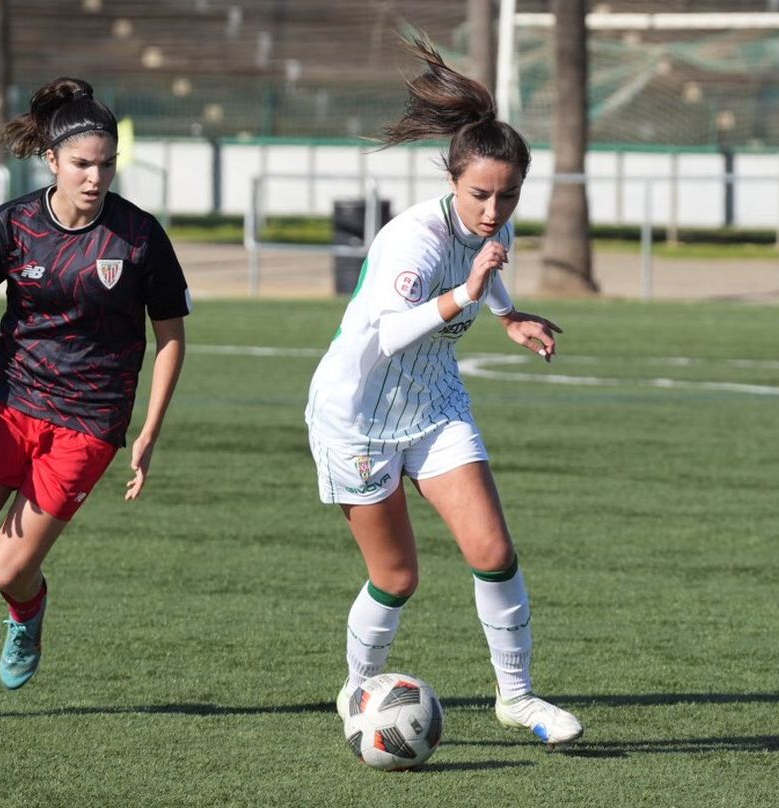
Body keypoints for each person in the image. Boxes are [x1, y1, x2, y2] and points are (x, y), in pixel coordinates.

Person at [0, 77, 190, 725]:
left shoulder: (138, 238)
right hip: (5, 402)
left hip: (89, 422)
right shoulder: (12, 225)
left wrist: (149, 431)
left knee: (8, 568)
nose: (95, 177)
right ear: (51, 160)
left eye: (106, 165)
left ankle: (27, 611)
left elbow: (171, 337)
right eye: (81, 164)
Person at [305, 38, 582, 749]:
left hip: (432, 406)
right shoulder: (413, 242)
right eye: (480, 195)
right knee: (397, 577)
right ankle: (358, 695)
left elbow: (485, 266)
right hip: (358, 419)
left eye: (508, 195)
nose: (494, 210)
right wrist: (469, 294)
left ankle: (516, 699)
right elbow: (391, 332)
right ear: (453, 180)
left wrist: (508, 315)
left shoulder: (493, 222)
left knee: (493, 551)